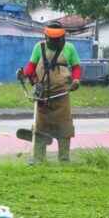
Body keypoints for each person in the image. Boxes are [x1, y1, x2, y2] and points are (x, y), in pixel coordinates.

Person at [19, 22, 81, 164]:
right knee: (41, 127)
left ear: (62, 38)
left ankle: (64, 159)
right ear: (45, 36)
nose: (53, 41)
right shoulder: (38, 47)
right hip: (43, 94)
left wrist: (76, 80)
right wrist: (24, 74)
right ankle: (39, 159)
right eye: (50, 39)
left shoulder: (70, 48)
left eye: (56, 39)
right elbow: (31, 67)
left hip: (62, 94)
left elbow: (76, 67)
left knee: (64, 127)